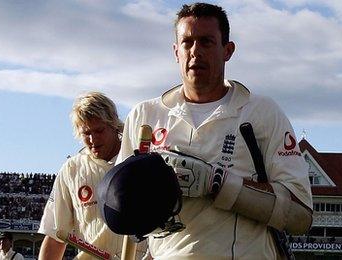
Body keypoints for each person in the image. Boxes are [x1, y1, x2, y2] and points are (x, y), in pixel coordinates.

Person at [117, 2, 313, 259]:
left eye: (207, 41)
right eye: (187, 43)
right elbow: (121, 208)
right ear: (176, 52)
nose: (195, 51)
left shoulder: (262, 112)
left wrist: (216, 184)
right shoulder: (145, 116)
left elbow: (300, 216)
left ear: (228, 50)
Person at [38, 92, 145, 259]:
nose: (93, 139)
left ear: (114, 125)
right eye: (86, 133)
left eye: (99, 130)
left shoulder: (141, 161)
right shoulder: (71, 170)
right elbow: (55, 237)